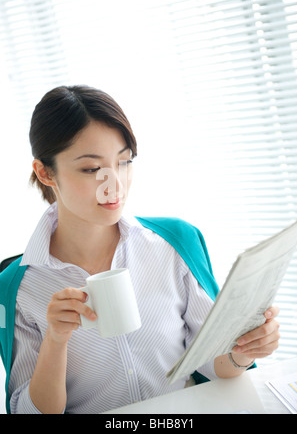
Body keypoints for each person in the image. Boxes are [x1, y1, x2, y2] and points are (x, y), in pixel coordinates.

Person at [7, 85, 280, 414]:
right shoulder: (16, 288)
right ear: (45, 172)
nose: (115, 184)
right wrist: (55, 339)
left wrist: (245, 350)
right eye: (92, 169)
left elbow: (213, 364)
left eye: (124, 162)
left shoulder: (175, 243)